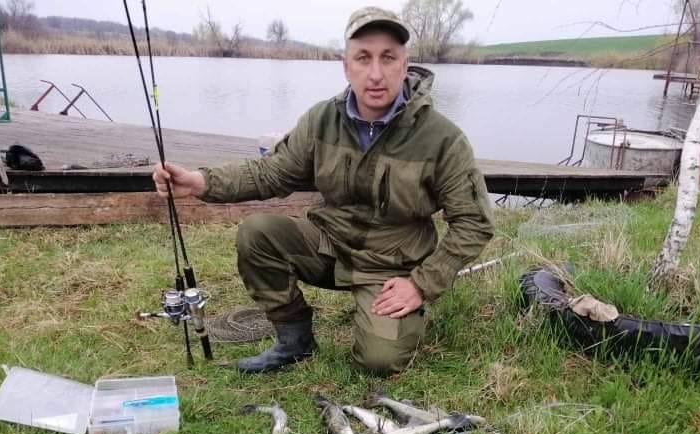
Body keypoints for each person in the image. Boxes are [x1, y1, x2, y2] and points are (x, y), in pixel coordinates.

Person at [152, 6, 494, 375]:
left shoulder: (442, 138)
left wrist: (421, 284)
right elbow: (271, 172)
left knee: (379, 361)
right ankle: (294, 339)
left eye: (388, 58)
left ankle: (395, 317)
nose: (375, 73)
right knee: (257, 233)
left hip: (391, 266)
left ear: (405, 64)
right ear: (346, 66)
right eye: (363, 58)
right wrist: (200, 182)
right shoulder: (321, 119)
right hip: (329, 245)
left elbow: (474, 222)